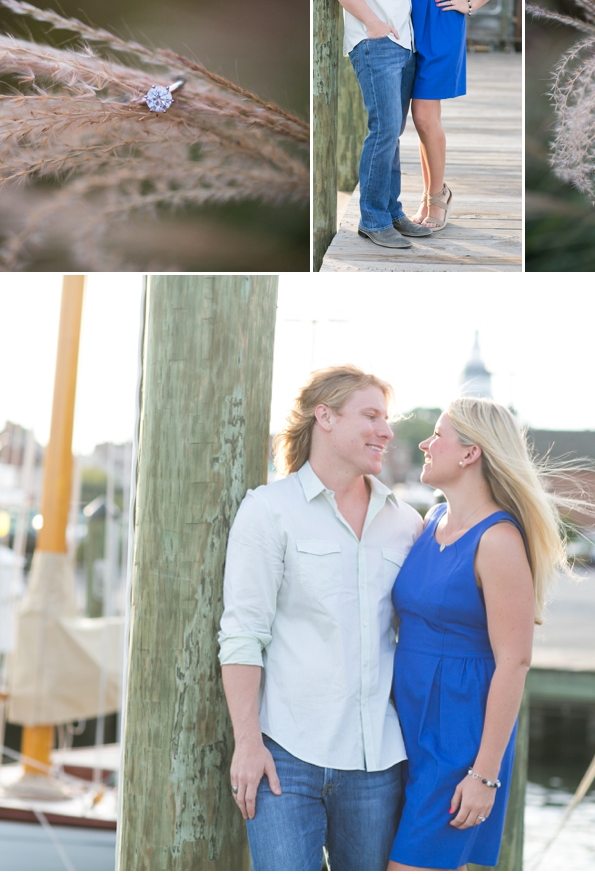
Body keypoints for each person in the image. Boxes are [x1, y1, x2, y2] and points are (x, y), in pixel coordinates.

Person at [218, 365, 423, 870]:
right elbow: (243, 635)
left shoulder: (407, 524)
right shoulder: (269, 511)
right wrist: (247, 743)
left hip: (378, 763)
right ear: (324, 416)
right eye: (371, 415)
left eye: (387, 418)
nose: (386, 430)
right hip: (285, 757)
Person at [388, 397, 569, 870]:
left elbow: (515, 661)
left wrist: (484, 774)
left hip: (457, 737)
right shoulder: (431, 523)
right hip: (404, 727)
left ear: (471, 453)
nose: (425, 444)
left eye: (438, 435)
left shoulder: (498, 540)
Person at [324, 0, 435, 250]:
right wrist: (373, 24)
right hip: (376, 43)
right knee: (383, 130)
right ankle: (372, 219)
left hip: (404, 44)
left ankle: (391, 212)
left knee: (392, 133)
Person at [406, 0, 514, 230]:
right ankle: (431, 193)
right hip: (405, 22)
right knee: (424, 121)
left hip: (441, 24)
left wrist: (470, 4)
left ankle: (437, 196)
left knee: (423, 117)